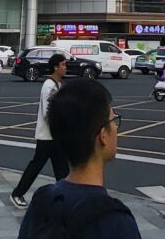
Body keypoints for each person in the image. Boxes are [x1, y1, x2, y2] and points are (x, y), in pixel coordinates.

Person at [18, 77, 142, 238]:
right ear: (103, 136)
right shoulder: (116, 223)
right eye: (113, 120)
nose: (115, 128)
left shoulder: (41, 202)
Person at [10, 53, 69, 209]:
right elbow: (48, 112)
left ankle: (66, 197)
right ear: (55, 67)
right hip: (47, 136)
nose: (65, 67)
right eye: (63, 64)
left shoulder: (59, 85)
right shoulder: (49, 86)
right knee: (37, 166)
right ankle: (17, 193)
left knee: (61, 168)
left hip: (55, 136)